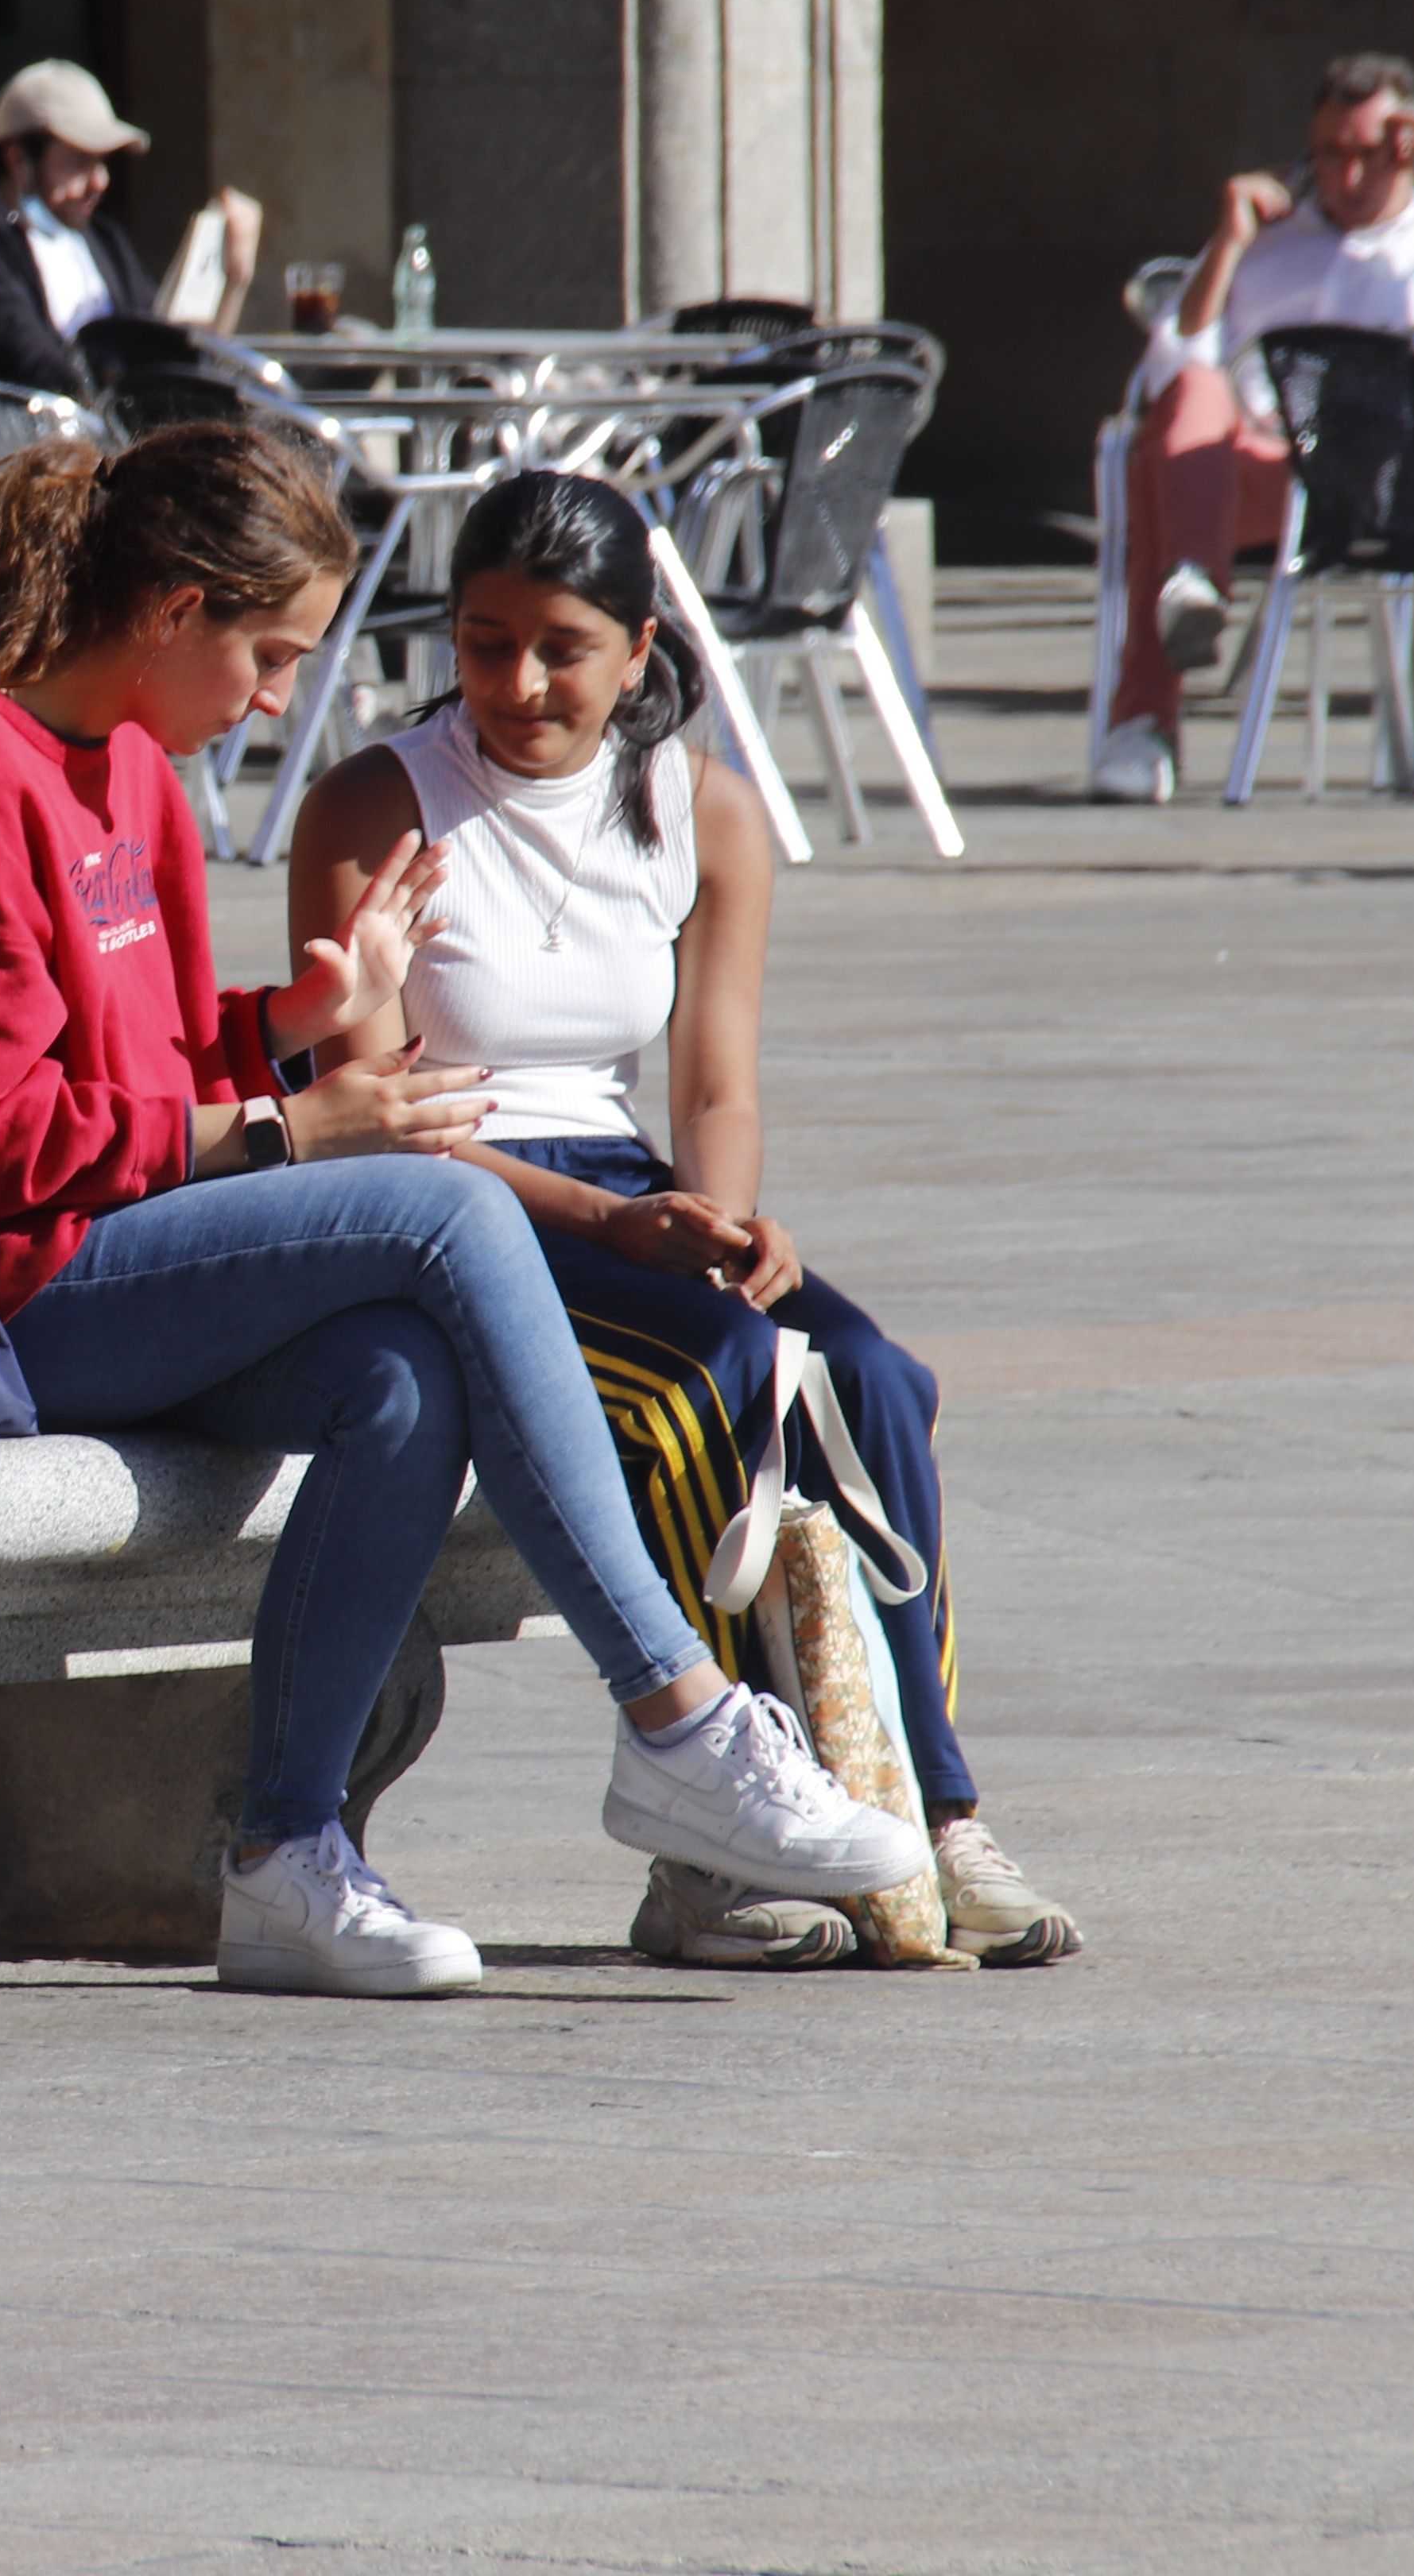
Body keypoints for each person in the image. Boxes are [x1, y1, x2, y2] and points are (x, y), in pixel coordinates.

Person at [0, 424, 932, 2001]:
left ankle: (285, 1859)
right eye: (267, 651)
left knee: (403, 1375)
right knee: (433, 1217)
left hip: (78, 1261)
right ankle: (678, 1716)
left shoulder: (137, 780)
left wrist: (290, 1021)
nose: (273, 697)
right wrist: (292, 1120)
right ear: (174, 606)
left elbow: (147, 1069)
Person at [290, 474, 1079, 1971]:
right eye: (483, 641)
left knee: (868, 1374)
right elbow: (369, 1100)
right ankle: (708, 1853)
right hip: (450, 1195)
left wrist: (725, 1213)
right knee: (704, 1383)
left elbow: (717, 1082)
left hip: (631, 1187)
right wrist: (611, 1221)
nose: (519, 683)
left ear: (641, 648)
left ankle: (938, 1803)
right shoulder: (374, 803)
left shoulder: (704, 811)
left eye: (562, 647)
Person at [1102, 51, 1414, 801]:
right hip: (1253, 471)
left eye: (1369, 156)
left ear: (1409, 151)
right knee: (1185, 405)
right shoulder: (1271, 236)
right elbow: (1171, 363)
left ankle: (1145, 723)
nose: (1347, 179)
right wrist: (1227, 245)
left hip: (1374, 478)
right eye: (1330, 155)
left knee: (1162, 474)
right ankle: (1190, 591)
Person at [0, 60, 265, 396]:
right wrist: (131, 394)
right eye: (79, 160)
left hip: (121, 449)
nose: (100, 181)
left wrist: (234, 280)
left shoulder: (103, 241)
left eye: (103, 162)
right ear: (18, 161)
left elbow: (168, 359)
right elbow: (29, 365)